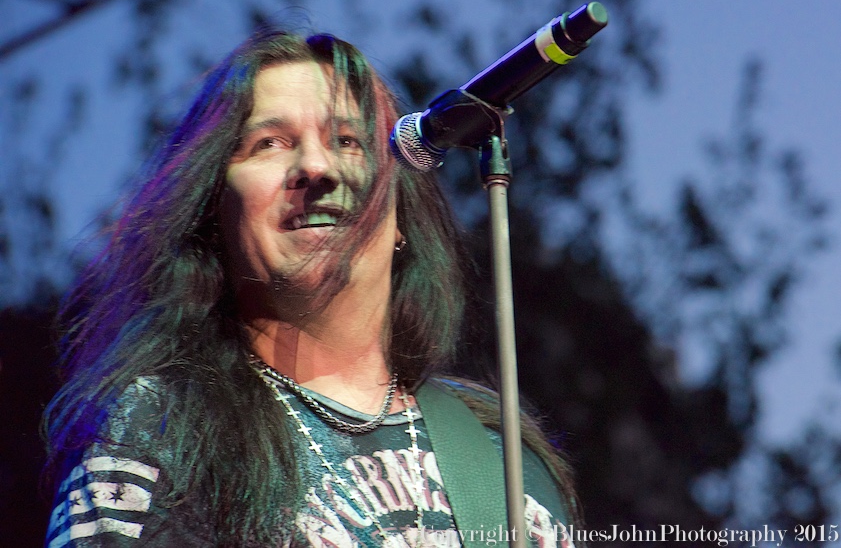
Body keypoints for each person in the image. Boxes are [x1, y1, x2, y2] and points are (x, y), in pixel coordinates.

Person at [43, 30, 578, 547]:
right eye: (269, 143)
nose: (317, 167)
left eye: (348, 141)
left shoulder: (503, 456)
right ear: (213, 217)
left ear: (401, 218)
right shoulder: (159, 428)